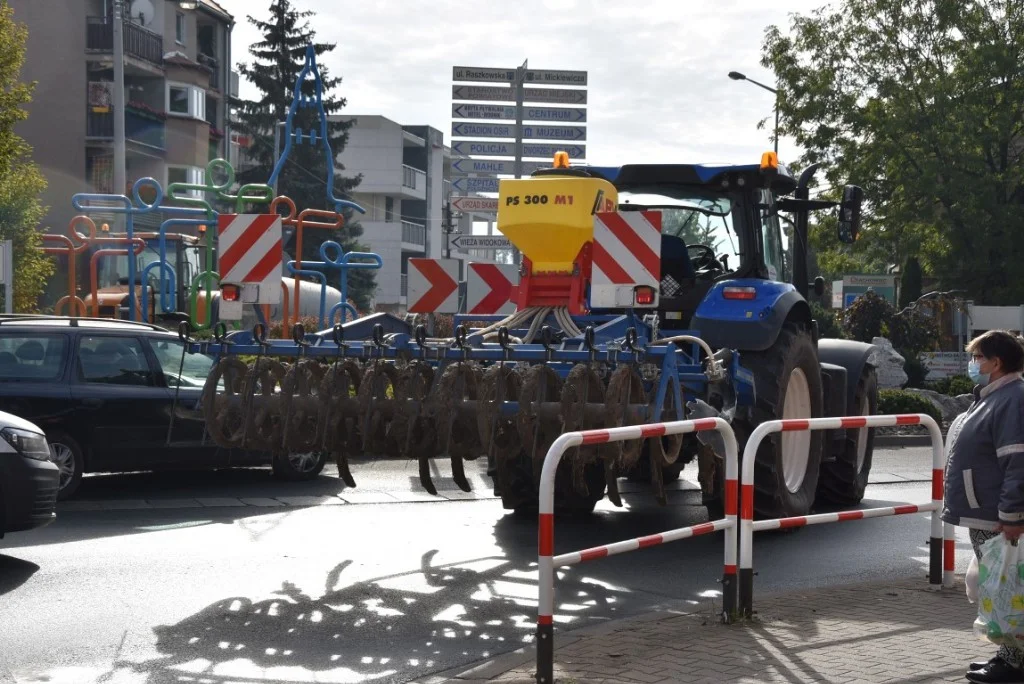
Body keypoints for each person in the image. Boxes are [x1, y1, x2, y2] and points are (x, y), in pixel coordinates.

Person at [942, 329, 1024, 683]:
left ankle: (1012, 662)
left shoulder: (1012, 398)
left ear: (996, 362)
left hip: (996, 516)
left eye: (977, 357)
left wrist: (1012, 515)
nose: (973, 363)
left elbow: (1016, 461)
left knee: (1004, 591)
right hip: (988, 512)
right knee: (997, 588)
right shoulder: (994, 395)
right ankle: (1008, 656)